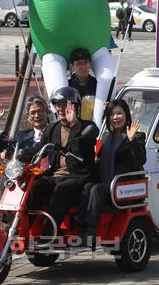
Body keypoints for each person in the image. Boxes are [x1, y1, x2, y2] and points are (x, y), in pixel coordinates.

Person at [25, 86, 96, 242]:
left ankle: (48, 234)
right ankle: (23, 228)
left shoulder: (87, 127)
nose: (62, 109)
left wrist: (74, 125)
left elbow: (84, 147)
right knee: (34, 185)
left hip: (77, 177)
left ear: (76, 106)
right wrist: (22, 154)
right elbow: (39, 149)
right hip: (54, 175)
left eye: (66, 105)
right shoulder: (52, 128)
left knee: (61, 190)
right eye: (58, 105)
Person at [80, 99, 146, 241]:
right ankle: (80, 227)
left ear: (126, 115)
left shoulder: (137, 136)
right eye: (111, 114)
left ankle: (90, 231)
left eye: (119, 113)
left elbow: (141, 160)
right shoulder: (105, 137)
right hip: (106, 183)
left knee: (96, 190)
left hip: (122, 187)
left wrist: (132, 141)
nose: (115, 117)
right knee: (86, 187)